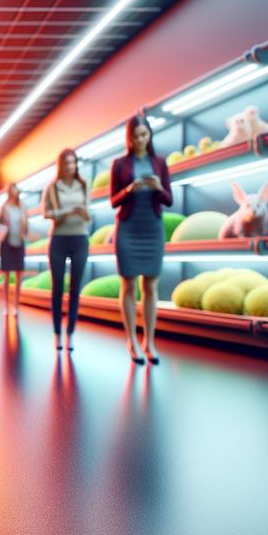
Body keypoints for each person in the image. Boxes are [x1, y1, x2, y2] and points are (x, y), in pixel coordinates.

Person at [110, 113, 173, 365]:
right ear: (129, 138)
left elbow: (169, 200)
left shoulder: (160, 163)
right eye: (135, 136)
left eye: (144, 135)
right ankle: (131, 340)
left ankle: (150, 342)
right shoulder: (119, 165)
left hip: (152, 227)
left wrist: (158, 186)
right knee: (128, 285)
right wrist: (129, 190)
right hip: (128, 227)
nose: (140, 140)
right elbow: (113, 200)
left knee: (151, 287)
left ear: (150, 136)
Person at [42, 148, 90, 352]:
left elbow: (88, 214)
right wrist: (68, 211)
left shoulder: (83, 185)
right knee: (57, 289)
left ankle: (70, 334)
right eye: (67, 163)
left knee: (75, 290)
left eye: (74, 162)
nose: (71, 166)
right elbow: (46, 213)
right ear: (61, 166)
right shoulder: (52, 187)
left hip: (80, 238)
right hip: (59, 240)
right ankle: (56, 334)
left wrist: (82, 213)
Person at [0, 182, 27, 315]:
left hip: (19, 243)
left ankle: (16, 305)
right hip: (6, 243)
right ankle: (6, 304)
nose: (14, 191)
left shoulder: (22, 207)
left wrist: (25, 233)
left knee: (18, 276)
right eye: (12, 189)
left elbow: (26, 225)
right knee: (6, 276)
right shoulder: (3, 207)